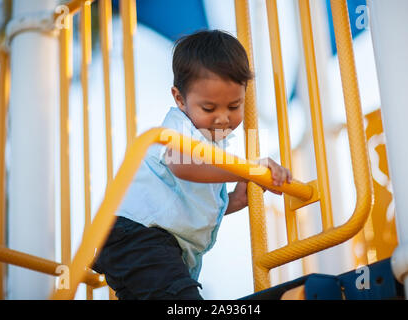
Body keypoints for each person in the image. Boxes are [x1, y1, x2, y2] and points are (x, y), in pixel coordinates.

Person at [92, 30, 292, 300]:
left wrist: (234, 199)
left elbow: (194, 201)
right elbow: (182, 166)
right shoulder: (179, 127)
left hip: (153, 245)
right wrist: (246, 168)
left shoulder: (212, 146)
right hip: (138, 236)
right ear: (180, 99)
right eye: (209, 108)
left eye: (234, 106)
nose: (222, 118)